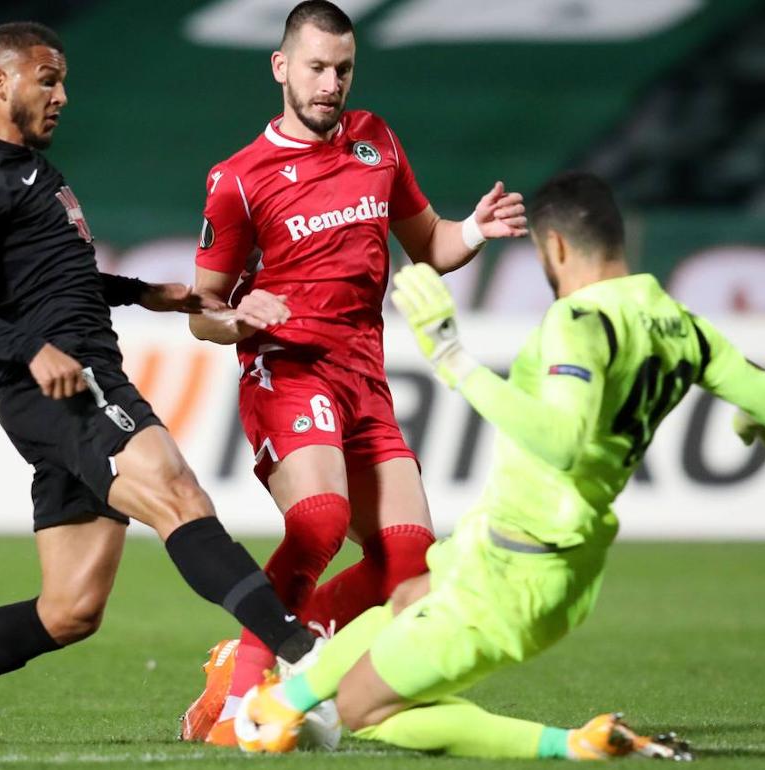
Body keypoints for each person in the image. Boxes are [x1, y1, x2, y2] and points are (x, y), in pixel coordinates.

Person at [0, 21, 320, 748]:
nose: (62, 96)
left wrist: (143, 293)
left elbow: (50, 278)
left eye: (63, 82)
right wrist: (31, 350)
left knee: (70, 610)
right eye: (47, 80)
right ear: (0, 83)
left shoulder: (25, 171)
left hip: (69, 386)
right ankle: (300, 655)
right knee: (177, 493)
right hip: (68, 388)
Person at [237, 171, 765, 760]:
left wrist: (453, 359)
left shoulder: (580, 321)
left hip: (520, 570)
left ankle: (573, 745)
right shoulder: (684, 326)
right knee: (409, 595)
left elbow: (563, 442)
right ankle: (287, 697)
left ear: (555, 247)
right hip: (533, 550)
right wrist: (753, 413)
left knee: (364, 710)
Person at [179, 1, 529, 745]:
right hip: (287, 371)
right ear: (281, 67)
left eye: (343, 69)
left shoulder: (376, 142)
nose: (330, 84)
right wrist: (239, 316)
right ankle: (239, 707)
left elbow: (429, 243)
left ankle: (263, 656)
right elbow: (201, 312)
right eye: (316, 67)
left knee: (408, 565)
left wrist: (474, 230)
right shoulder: (239, 179)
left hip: (363, 379)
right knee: (319, 520)